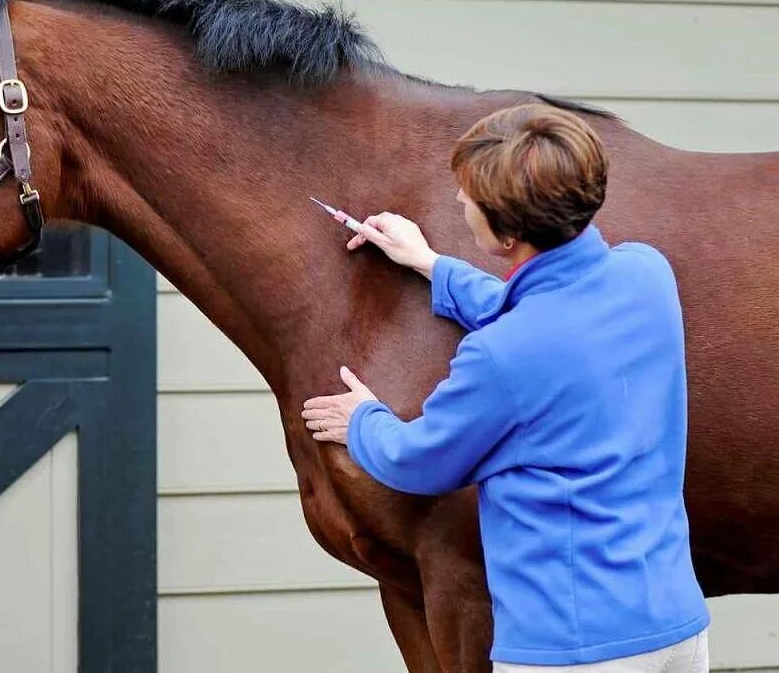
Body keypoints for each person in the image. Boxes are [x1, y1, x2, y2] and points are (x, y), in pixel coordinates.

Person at [301, 103, 710, 672]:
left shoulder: (500, 357)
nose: (460, 201)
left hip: (574, 651)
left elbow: (421, 461)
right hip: (675, 631)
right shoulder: (644, 274)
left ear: (507, 233)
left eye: (468, 196)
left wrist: (364, 420)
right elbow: (552, 320)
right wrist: (431, 264)